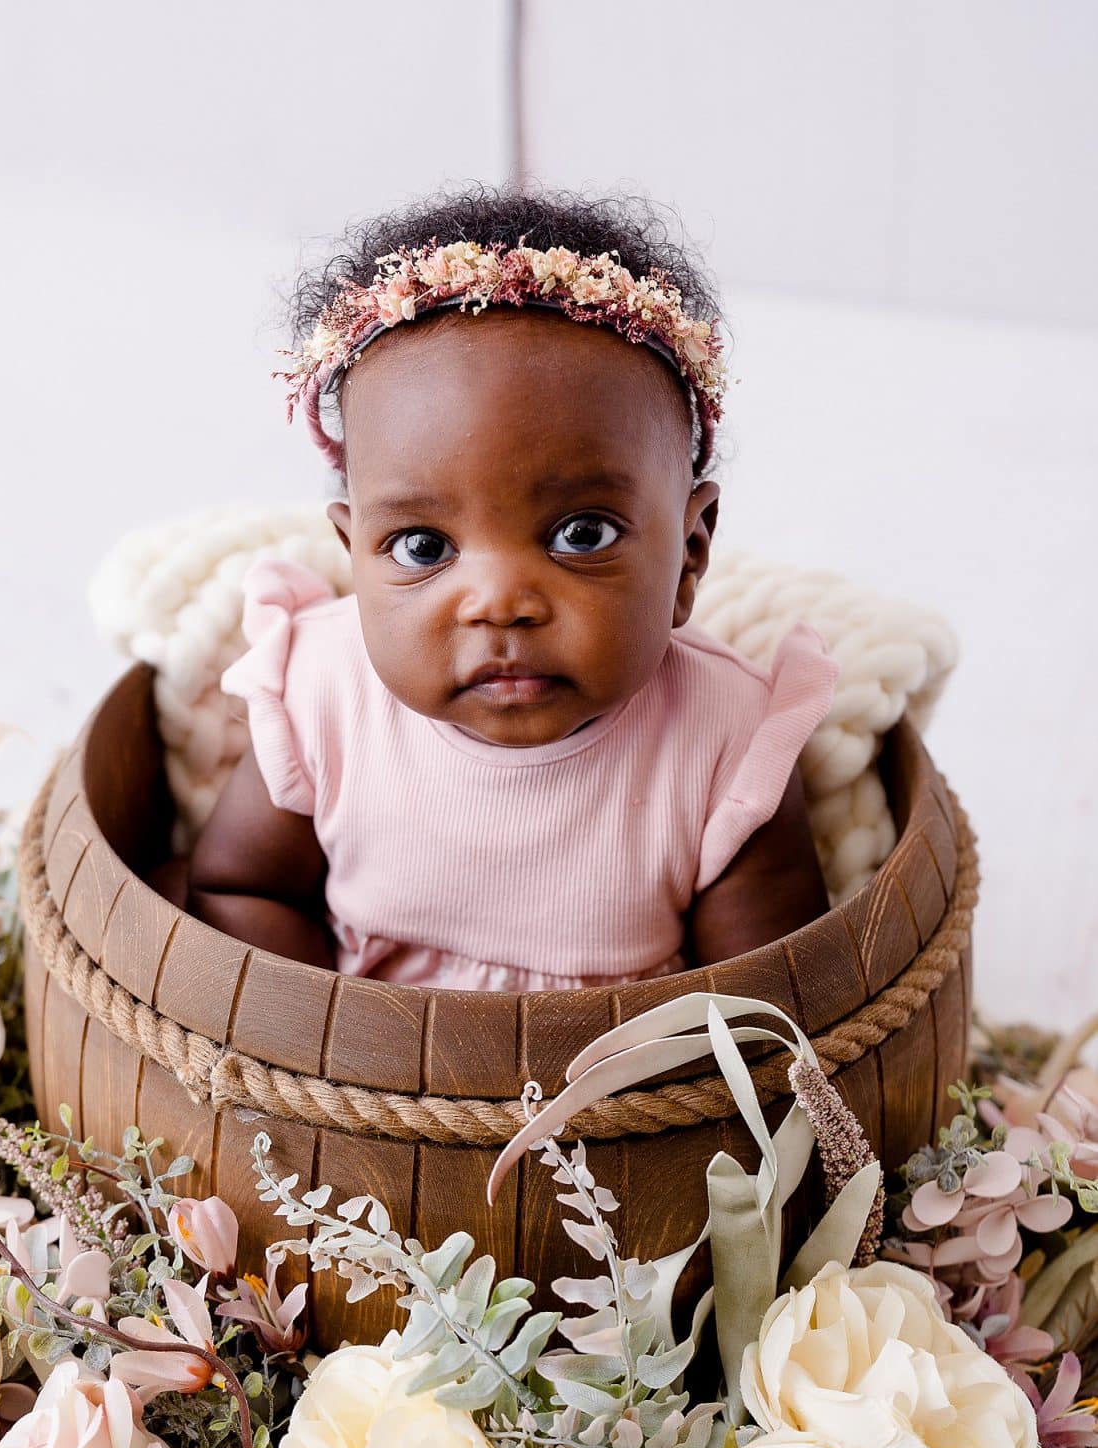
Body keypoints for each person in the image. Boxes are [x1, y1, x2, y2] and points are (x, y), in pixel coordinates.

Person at [187, 186, 838, 989]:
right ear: (352, 553)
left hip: (615, 1095)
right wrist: (335, 1049)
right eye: (423, 547)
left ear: (690, 554)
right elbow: (237, 889)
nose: (501, 602)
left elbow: (766, 1007)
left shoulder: (724, 738)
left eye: (582, 535)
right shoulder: (320, 691)